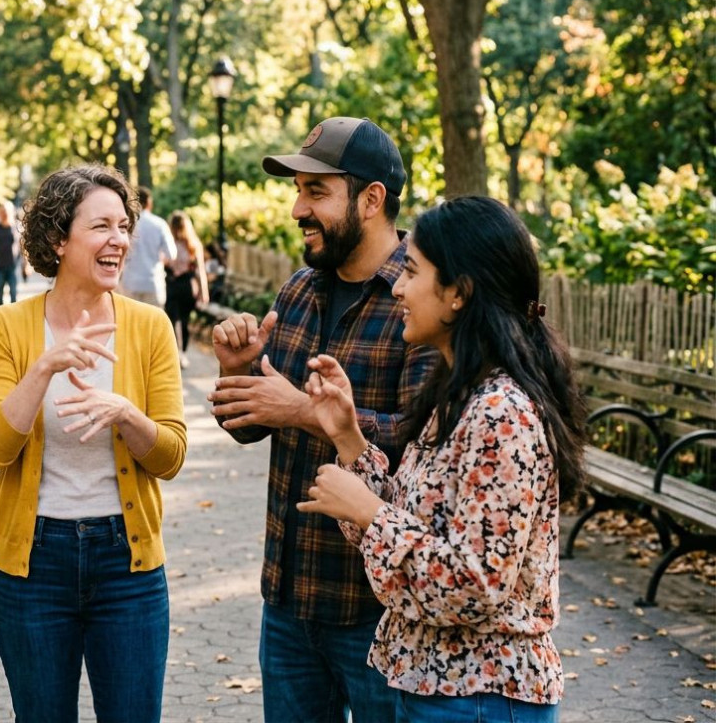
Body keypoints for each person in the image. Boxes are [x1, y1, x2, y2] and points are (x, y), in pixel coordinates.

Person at [298, 195, 586, 722]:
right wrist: (347, 439)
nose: (399, 288)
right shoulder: (459, 394)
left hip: (480, 697)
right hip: (438, 690)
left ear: (459, 293)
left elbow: (475, 586)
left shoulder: (501, 414)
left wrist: (369, 514)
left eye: (411, 271)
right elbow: (421, 529)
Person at [207, 117, 436, 723]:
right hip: (287, 600)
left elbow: (425, 440)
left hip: (379, 609)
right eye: (297, 191)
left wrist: (305, 413)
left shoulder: (421, 298)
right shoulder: (299, 290)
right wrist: (239, 372)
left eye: (316, 192)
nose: (296, 209)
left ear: (371, 199)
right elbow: (251, 421)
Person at [0, 164, 187, 723]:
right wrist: (43, 367)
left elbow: (171, 456)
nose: (118, 239)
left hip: (129, 566)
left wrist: (126, 415)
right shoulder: (8, 327)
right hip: (33, 567)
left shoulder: (149, 327)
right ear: (57, 241)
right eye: (100, 227)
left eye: (123, 226)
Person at [164, 211, 209, 367]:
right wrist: (204, 292)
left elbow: (163, 263)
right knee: (183, 321)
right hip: (188, 285)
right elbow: (200, 270)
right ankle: (181, 352)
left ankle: (178, 352)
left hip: (172, 284)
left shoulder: (169, 244)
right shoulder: (193, 245)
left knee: (173, 320)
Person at [117, 186, 175, 307]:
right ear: (149, 202)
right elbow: (171, 254)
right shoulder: (159, 224)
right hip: (153, 282)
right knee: (154, 322)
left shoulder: (126, 224)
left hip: (130, 282)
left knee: (131, 322)